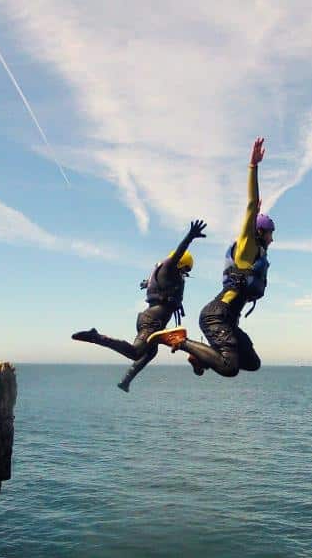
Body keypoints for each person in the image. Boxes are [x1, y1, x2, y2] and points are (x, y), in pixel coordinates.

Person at [151, 137, 272, 377]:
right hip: (216, 315)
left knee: (252, 363)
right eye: (270, 233)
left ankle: (199, 356)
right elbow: (250, 205)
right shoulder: (247, 247)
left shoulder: (259, 253)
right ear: (260, 232)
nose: (272, 239)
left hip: (229, 320)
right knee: (229, 368)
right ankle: (179, 340)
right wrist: (253, 167)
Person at [72, 219, 207, 392]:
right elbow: (178, 254)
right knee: (136, 352)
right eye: (186, 270)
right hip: (152, 321)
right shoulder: (170, 267)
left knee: (150, 352)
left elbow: (154, 283)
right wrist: (190, 237)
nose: (185, 275)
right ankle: (96, 337)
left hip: (152, 319)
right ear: (181, 264)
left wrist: (147, 283)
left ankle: (126, 380)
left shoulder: (162, 274)